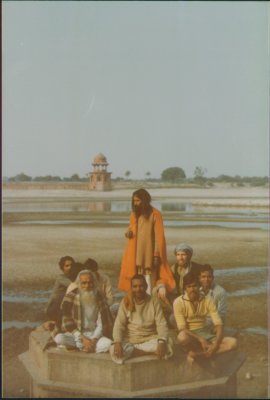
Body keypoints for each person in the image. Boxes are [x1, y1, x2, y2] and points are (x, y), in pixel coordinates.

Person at [118, 188, 175, 299]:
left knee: (149, 281)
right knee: (135, 279)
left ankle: (151, 305)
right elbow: (131, 228)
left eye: (138, 201)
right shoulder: (134, 214)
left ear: (145, 200)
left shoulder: (155, 214)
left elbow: (159, 237)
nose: (136, 203)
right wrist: (128, 233)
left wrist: (156, 254)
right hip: (135, 254)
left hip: (149, 255)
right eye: (134, 201)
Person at [173, 272, 237, 362]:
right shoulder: (178, 302)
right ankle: (201, 350)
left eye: (194, 286)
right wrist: (200, 339)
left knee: (233, 343)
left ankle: (201, 354)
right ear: (185, 289)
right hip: (190, 335)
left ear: (199, 286)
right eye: (189, 287)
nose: (192, 289)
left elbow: (219, 324)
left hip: (206, 332)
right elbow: (182, 328)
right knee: (181, 337)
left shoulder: (207, 300)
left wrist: (215, 345)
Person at [110, 274, 173, 364]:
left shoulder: (154, 301)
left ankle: (134, 352)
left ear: (146, 286)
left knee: (168, 343)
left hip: (149, 338)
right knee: (113, 350)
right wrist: (117, 341)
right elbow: (119, 324)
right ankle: (147, 352)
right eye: (135, 286)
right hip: (131, 340)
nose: (138, 289)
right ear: (131, 288)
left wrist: (162, 341)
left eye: (141, 286)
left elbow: (161, 323)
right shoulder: (126, 301)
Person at [53, 270, 112, 353]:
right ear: (79, 284)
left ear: (94, 283)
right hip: (77, 334)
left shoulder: (99, 297)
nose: (87, 286)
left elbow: (102, 323)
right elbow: (67, 321)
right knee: (59, 338)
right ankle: (87, 347)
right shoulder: (71, 296)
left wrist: (93, 340)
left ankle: (85, 347)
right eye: (84, 283)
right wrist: (83, 338)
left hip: (94, 334)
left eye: (90, 282)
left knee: (108, 344)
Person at [155, 243, 203, 328]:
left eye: (183, 255)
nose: (180, 258)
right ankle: (174, 312)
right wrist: (161, 286)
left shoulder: (198, 268)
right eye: (178, 255)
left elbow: (206, 283)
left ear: (189, 256)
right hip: (178, 298)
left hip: (193, 299)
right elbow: (163, 278)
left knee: (173, 319)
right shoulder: (173, 268)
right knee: (155, 291)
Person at [45, 256, 75, 324]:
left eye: (71, 265)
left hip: (60, 306)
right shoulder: (61, 278)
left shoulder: (71, 277)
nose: (69, 267)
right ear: (62, 268)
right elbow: (74, 286)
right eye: (67, 266)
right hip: (54, 307)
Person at [199, 264, 227, 328]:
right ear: (199, 278)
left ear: (213, 277)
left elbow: (222, 314)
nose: (206, 279)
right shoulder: (197, 290)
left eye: (209, 277)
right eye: (203, 277)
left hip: (214, 322)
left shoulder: (220, 291)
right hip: (198, 321)